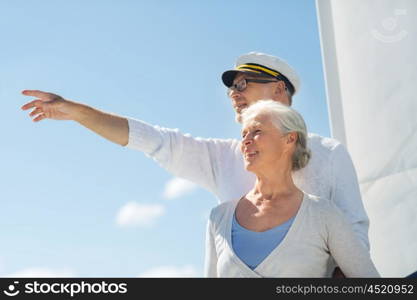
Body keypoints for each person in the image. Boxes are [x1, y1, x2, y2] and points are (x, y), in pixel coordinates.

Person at [21, 52, 369, 276]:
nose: (234, 92)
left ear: (279, 90)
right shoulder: (222, 158)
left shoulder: (330, 154)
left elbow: (354, 242)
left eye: (243, 83)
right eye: (231, 88)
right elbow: (153, 139)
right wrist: (78, 112)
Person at [205, 100, 379, 277]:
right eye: (243, 135)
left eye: (257, 131)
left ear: (289, 139)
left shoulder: (324, 215)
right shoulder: (219, 218)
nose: (245, 141)